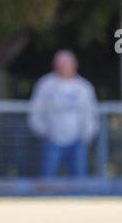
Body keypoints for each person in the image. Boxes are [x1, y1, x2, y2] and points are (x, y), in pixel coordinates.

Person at [28, 50, 98, 178]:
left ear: (74, 65)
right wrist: (43, 132)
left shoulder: (84, 87)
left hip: (77, 142)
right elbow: (35, 111)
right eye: (59, 64)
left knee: (79, 182)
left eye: (66, 64)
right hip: (51, 141)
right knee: (47, 178)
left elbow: (90, 114)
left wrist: (86, 136)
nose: (62, 67)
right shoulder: (45, 84)